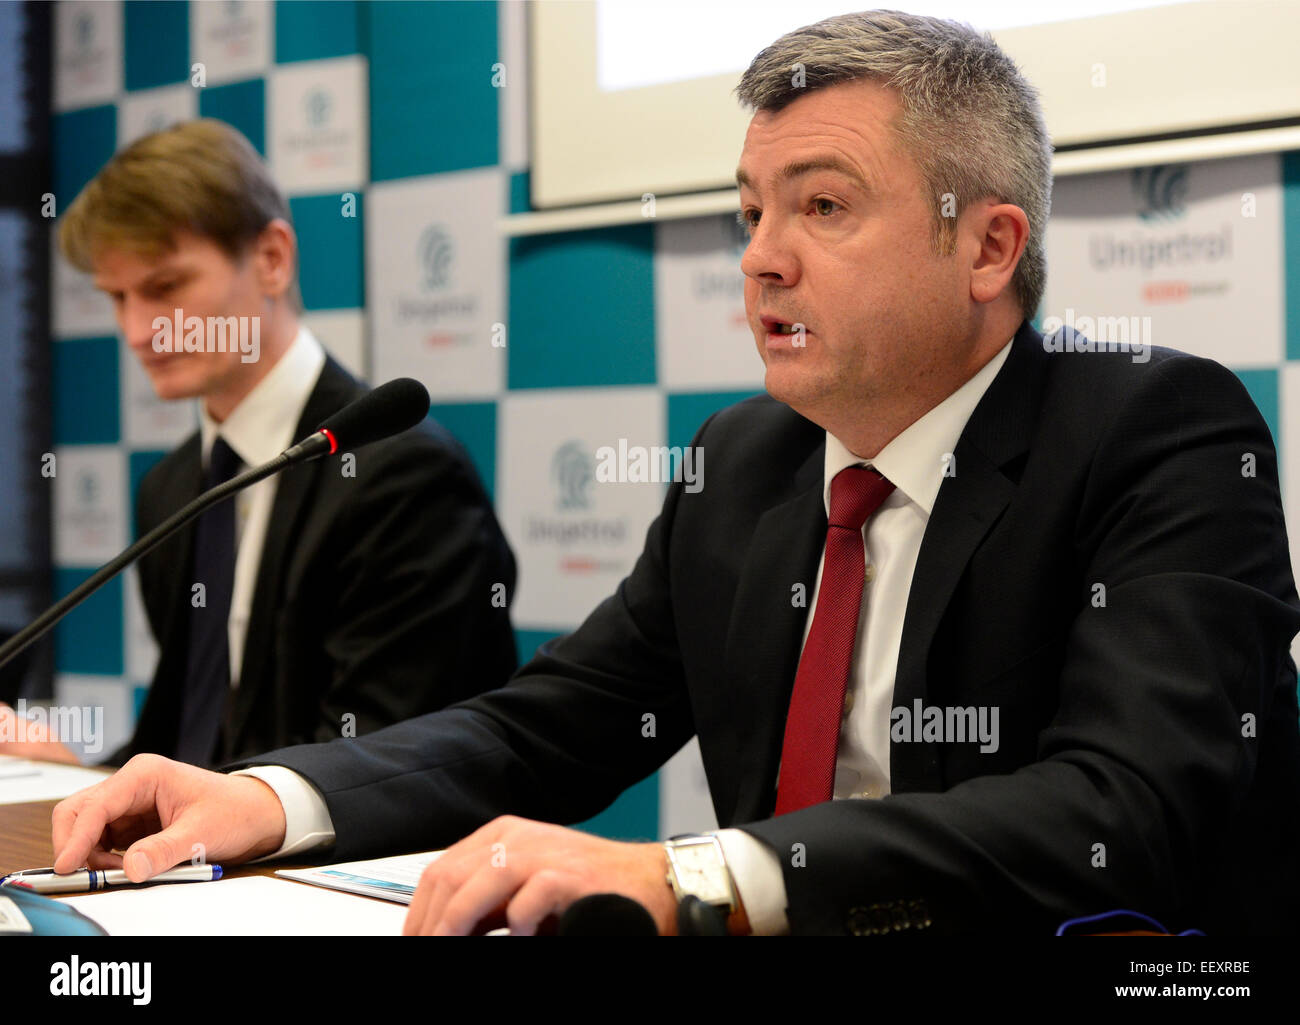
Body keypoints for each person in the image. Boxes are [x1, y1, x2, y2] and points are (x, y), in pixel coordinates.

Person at [49, 12, 1300, 935]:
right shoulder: (741, 463)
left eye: (820, 206)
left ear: (986, 246)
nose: (758, 257)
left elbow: (1122, 806)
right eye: (748, 208)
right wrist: (270, 796)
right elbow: (542, 726)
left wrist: (696, 873)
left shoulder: (1156, 430)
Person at [2, 119, 518, 768]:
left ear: (272, 259)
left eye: (165, 288)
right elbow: (188, 748)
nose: (137, 330)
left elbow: (386, 767)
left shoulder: (403, 475)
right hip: (207, 862)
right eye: (117, 297)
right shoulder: (171, 488)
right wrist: (76, 777)